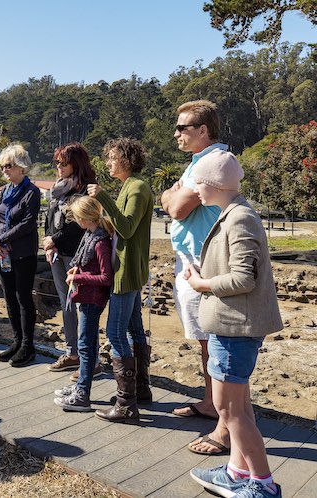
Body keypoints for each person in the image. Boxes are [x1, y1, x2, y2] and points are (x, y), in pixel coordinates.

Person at [185, 150, 283, 498]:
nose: (194, 188)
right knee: (239, 408)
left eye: (197, 181)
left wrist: (202, 285)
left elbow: (244, 278)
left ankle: (263, 484)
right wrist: (203, 274)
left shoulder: (240, 217)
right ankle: (238, 472)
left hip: (234, 330)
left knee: (230, 411)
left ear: (214, 183)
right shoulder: (234, 212)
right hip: (232, 328)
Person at [161, 100, 230, 456]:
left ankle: (225, 423)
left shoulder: (209, 163)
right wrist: (174, 193)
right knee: (206, 342)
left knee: (215, 343)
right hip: (193, 261)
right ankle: (211, 403)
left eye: (183, 127)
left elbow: (175, 207)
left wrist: (170, 194)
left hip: (204, 264)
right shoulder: (197, 163)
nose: (176, 134)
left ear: (204, 130)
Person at [87, 138, 153, 424]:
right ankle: (140, 389)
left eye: (113, 157)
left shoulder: (137, 187)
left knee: (115, 333)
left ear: (127, 159)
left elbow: (126, 228)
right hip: (128, 269)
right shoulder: (129, 186)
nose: (109, 162)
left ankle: (126, 404)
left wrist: (102, 198)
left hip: (126, 273)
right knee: (134, 329)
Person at [54, 196, 114, 411]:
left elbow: (106, 278)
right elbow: (92, 268)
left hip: (92, 299)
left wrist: (77, 278)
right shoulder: (91, 235)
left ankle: (82, 394)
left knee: (86, 347)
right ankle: (81, 387)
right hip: (86, 297)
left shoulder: (99, 241)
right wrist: (77, 270)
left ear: (84, 218)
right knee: (85, 345)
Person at [43, 143, 95, 375]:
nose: (58, 167)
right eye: (57, 162)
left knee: (81, 304)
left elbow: (78, 225)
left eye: (63, 163)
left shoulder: (86, 190)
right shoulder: (58, 189)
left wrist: (53, 240)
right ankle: (72, 352)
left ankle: (89, 358)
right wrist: (48, 241)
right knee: (66, 304)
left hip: (78, 253)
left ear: (76, 164)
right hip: (56, 253)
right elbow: (49, 218)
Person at [0, 144, 41, 367]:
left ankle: (28, 346)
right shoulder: (4, 191)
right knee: (9, 297)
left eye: (8, 166)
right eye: (2, 167)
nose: (5, 171)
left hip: (23, 253)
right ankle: (17, 340)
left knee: (23, 299)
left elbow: (28, 224)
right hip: (4, 254)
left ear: (21, 166)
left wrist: (1, 240)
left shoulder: (32, 192)